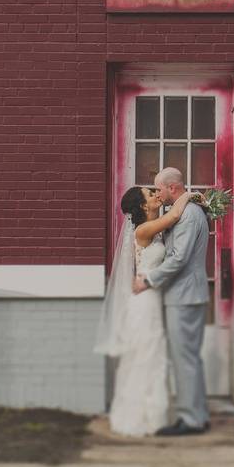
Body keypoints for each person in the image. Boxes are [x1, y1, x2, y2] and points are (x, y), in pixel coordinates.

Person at [93, 185, 194, 437]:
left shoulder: (154, 227)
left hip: (152, 295)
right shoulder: (143, 230)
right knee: (147, 355)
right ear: (142, 206)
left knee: (153, 353)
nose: (155, 195)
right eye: (150, 195)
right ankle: (143, 419)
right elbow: (173, 217)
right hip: (145, 301)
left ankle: (153, 417)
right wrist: (189, 195)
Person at [132, 167, 211, 436]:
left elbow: (178, 258)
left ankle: (190, 420)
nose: (158, 193)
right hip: (184, 294)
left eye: (160, 189)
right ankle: (198, 415)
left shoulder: (188, 215)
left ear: (172, 188)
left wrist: (148, 280)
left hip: (184, 295)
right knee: (189, 358)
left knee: (184, 359)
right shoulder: (181, 211)